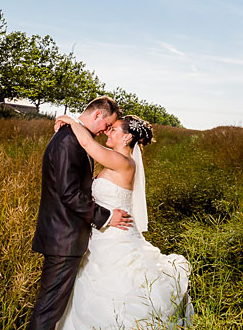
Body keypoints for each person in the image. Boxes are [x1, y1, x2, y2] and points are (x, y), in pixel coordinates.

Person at [54, 113, 193, 329]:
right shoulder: (113, 160)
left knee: (117, 291)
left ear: (127, 138)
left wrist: (73, 121)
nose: (108, 132)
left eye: (114, 129)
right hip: (103, 234)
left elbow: (86, 142)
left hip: (116, 236)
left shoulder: (122, 161)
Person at [28, 96, 133, 330]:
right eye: (107, 125)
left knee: (53, 308)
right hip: (64, 238)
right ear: (97, 115)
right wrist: (105, 217)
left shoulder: (74, 137)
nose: (106, 131)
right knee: (48, 309)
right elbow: (69, 194)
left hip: (66, 236)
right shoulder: (68, 141)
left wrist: (70, 121)